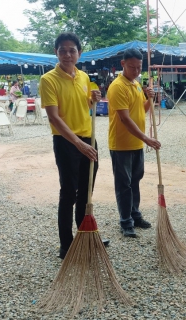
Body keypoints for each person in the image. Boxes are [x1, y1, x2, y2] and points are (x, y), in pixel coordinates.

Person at [39, 32, 103, 259]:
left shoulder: (84, 77)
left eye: (72, 50)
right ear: (56, 53)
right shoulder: (48, 80)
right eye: (62, 50)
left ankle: (84, 233)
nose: (67, 54)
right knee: (69, 193)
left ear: (79, 53)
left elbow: (84, 104)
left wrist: (93, 99)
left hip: (88, 138)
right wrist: (77, 144)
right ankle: (66, 244)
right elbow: (54, 117)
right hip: (67, 141)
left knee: (87, 191)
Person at [107, 48, 161, 238]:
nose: (136, 71)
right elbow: (125, 119)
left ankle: (135, 214)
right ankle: (125, 222)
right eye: (132, 67)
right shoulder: (117, 86)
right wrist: (146, 138)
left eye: (139, 67)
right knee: (124, 184)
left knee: (135, 181)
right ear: (123, 64)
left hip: (136, 143)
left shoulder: (136, 85)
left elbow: (141, 110)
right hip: (121, 144)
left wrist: (151, 100)